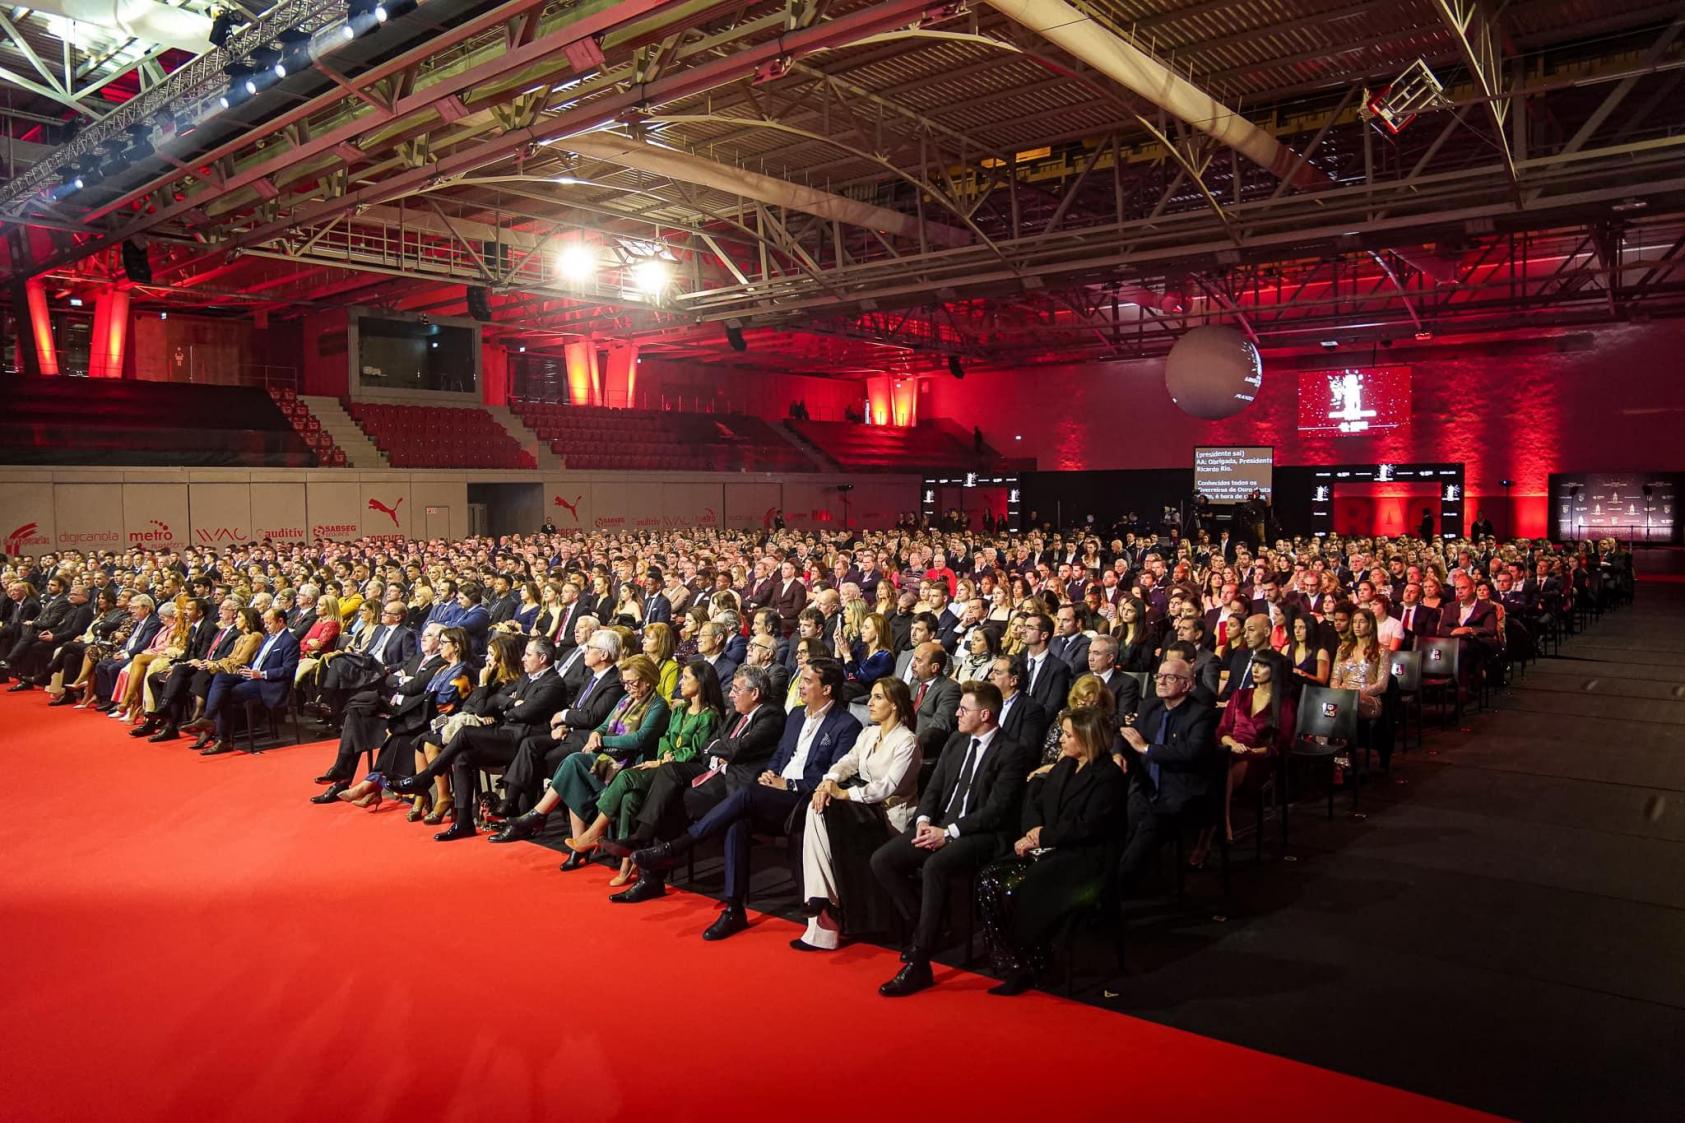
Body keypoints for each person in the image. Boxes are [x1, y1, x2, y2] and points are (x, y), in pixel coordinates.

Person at [628, 659, 861, 940]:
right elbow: (780, 755)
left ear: (827, 688)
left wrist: (788, 783)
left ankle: (674, 848)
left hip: (803, 800)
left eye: (808, 681)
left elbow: (832, 777)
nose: (801, 685)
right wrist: (771, 774)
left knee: (745, 794)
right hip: (772, 790)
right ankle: (733, 909)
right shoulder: (797, 715)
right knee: (736, 820)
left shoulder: (846, 725)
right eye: (802, 679)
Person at [869, 681, 1036, 997]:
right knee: (883, 860)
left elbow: (997, 811)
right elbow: (934, 788)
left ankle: (920, 961)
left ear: (984, 714)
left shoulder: (1011, 752)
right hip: (940, 826)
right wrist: (923, 820)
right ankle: (926, 928)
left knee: (935, 865)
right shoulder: (957, 741)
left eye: (964, 709)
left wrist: (949, 833)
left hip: (983, 835)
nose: (957, 714)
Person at [976, 705, 1126, 995]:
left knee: (1027, 884)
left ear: (1088, 738)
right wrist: (1033, 834)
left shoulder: (1108, 776)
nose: (1061, 739)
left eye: (1068, 735)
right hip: (1050, 848)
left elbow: (1088, 827)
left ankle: (1034, 961)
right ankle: (1011, 957)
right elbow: (1036, 803)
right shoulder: (1064, 766)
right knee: (990, 878)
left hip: (1085, 858)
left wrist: (1041, 837)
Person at [551, 659, 726, 886]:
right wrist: (663, 755)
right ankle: (625, 859)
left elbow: (695, 750)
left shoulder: (707, 715)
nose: (680, 682)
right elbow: (665, 738)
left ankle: (594, 834)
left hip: (677, 770)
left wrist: (663, 760)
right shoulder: (679, 709)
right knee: (625, 795)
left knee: (624, 777)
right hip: (657, 764)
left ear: (701, 683)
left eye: (686, 678)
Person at [793, 678, 920, 951]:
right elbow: (847, 762)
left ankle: (821, 904)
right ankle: (821, 900)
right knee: (818, 806)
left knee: (823, 810)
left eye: (878, 698)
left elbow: (887, 787)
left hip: (890, 819)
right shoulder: (868, 734)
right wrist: (829, 781)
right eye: (871, 696)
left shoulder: (907, 742)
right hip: (863, 813)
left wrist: (844, 794)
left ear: (895, 705)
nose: (869, 703)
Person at [496, 655, 667, 857]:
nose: (627, 687)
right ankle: (557, 828)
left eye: (632, 682)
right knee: (573, 761)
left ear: (647, 680)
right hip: (609, 758)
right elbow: (604, 725)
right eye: (624, 682)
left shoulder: (658, 705)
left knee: (573, 770)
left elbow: (639, 739)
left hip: (630, 763)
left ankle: (540, 818)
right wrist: (596, 734)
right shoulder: (625, 700)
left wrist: (603, 741)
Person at [1115, 657, 1219, 893]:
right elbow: (1125, 736)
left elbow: (1191, 752)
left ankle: (1114, 890)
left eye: (1170, 677)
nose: (1161, 682)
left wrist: (1147, 749)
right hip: (1144, 789)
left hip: (1181, 794)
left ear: (1187, 685)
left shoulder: (1201, 715)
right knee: (1114, 816)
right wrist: (1117, 753)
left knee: (1148, 825)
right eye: (1159, 676)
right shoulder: (1149, 707)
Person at [1202, 649, 1295, 861]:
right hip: (1230, 750)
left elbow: (1282, 744)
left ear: (1275, 670)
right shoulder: (1240, 695)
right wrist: (1233, 744)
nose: (1256, 669)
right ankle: (1222, 822)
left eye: (1262, 665)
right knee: (1222, 763)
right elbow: (1222, 731)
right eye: (1254, 664)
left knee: (1221, 771)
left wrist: (1253, 751)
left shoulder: (1284, 704)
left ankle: (1208, 836)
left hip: (1258, 758)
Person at [193, 607, 302, 757]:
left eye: (269, 623)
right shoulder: (268, 637)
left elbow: (288, 670)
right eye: (265, 622)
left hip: (268, 683)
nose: (266, 626)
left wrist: (261, 674)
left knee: (225, 694)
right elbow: (258, 662)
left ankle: (222, 738)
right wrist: (248, 670)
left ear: (281, 621)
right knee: (221, 677)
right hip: (252, 675)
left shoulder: (290, 641)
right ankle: (209, 719)